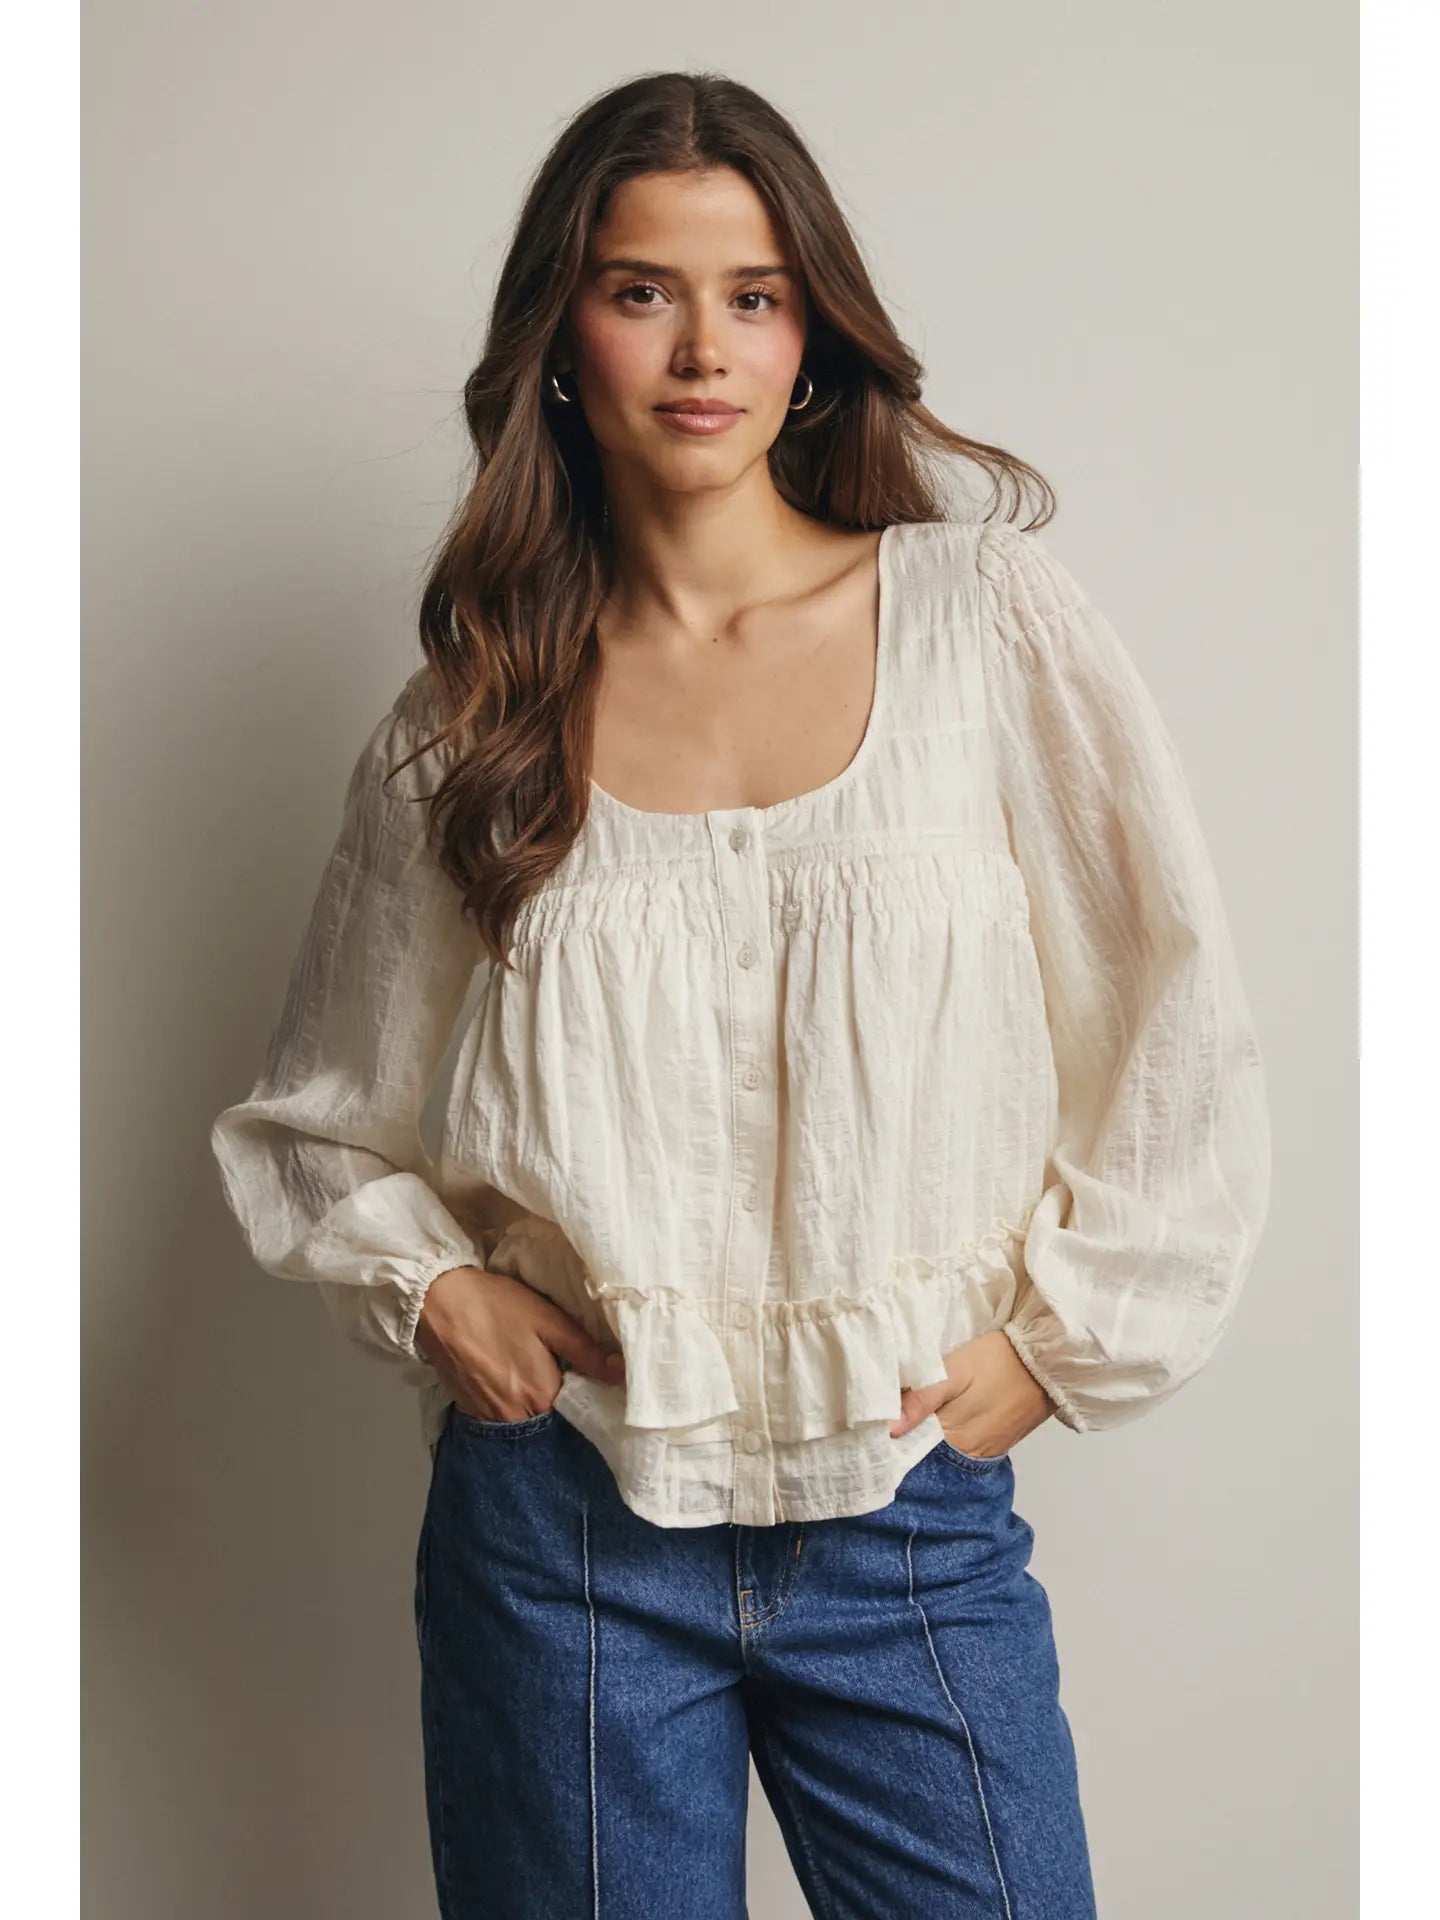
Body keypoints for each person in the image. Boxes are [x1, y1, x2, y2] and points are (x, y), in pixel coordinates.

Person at [209, 70, 1271, 1920]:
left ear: (812, 338)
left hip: (907, 1514)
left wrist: (1057, 1346)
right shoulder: (474, 713)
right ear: (562, 339)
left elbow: (1174, 1015)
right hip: (564, 1537)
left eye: (755, 296)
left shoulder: (985, 626)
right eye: (642, 291)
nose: (702, 348)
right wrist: (442, 1293)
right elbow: (319, 1121)